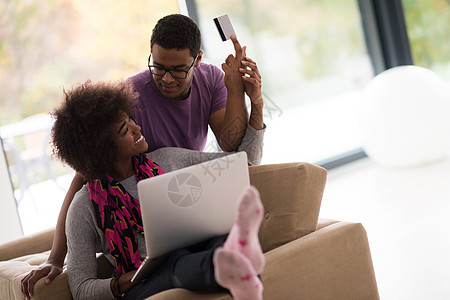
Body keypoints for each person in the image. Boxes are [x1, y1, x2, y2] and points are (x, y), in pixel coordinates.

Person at [21, 53, 264, 299]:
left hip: (192, 254)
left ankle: (240, 263)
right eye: (126, 130)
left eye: (131, 120)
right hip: (139, 287)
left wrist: (257, 105)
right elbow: (82, 290)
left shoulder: (167, 159)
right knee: (175, 264)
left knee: (216, 243)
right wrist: (119, 283)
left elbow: (245, 162)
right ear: (103, 150)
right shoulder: (84, 208)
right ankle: (233, 262)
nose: (137, 128)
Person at [128, 13, 250, 153]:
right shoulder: (129, 95)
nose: (167, 79)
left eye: (179, 69)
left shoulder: (211, 79)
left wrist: (236, 90)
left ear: (198, 59)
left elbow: (230, 145)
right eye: (159, 67)